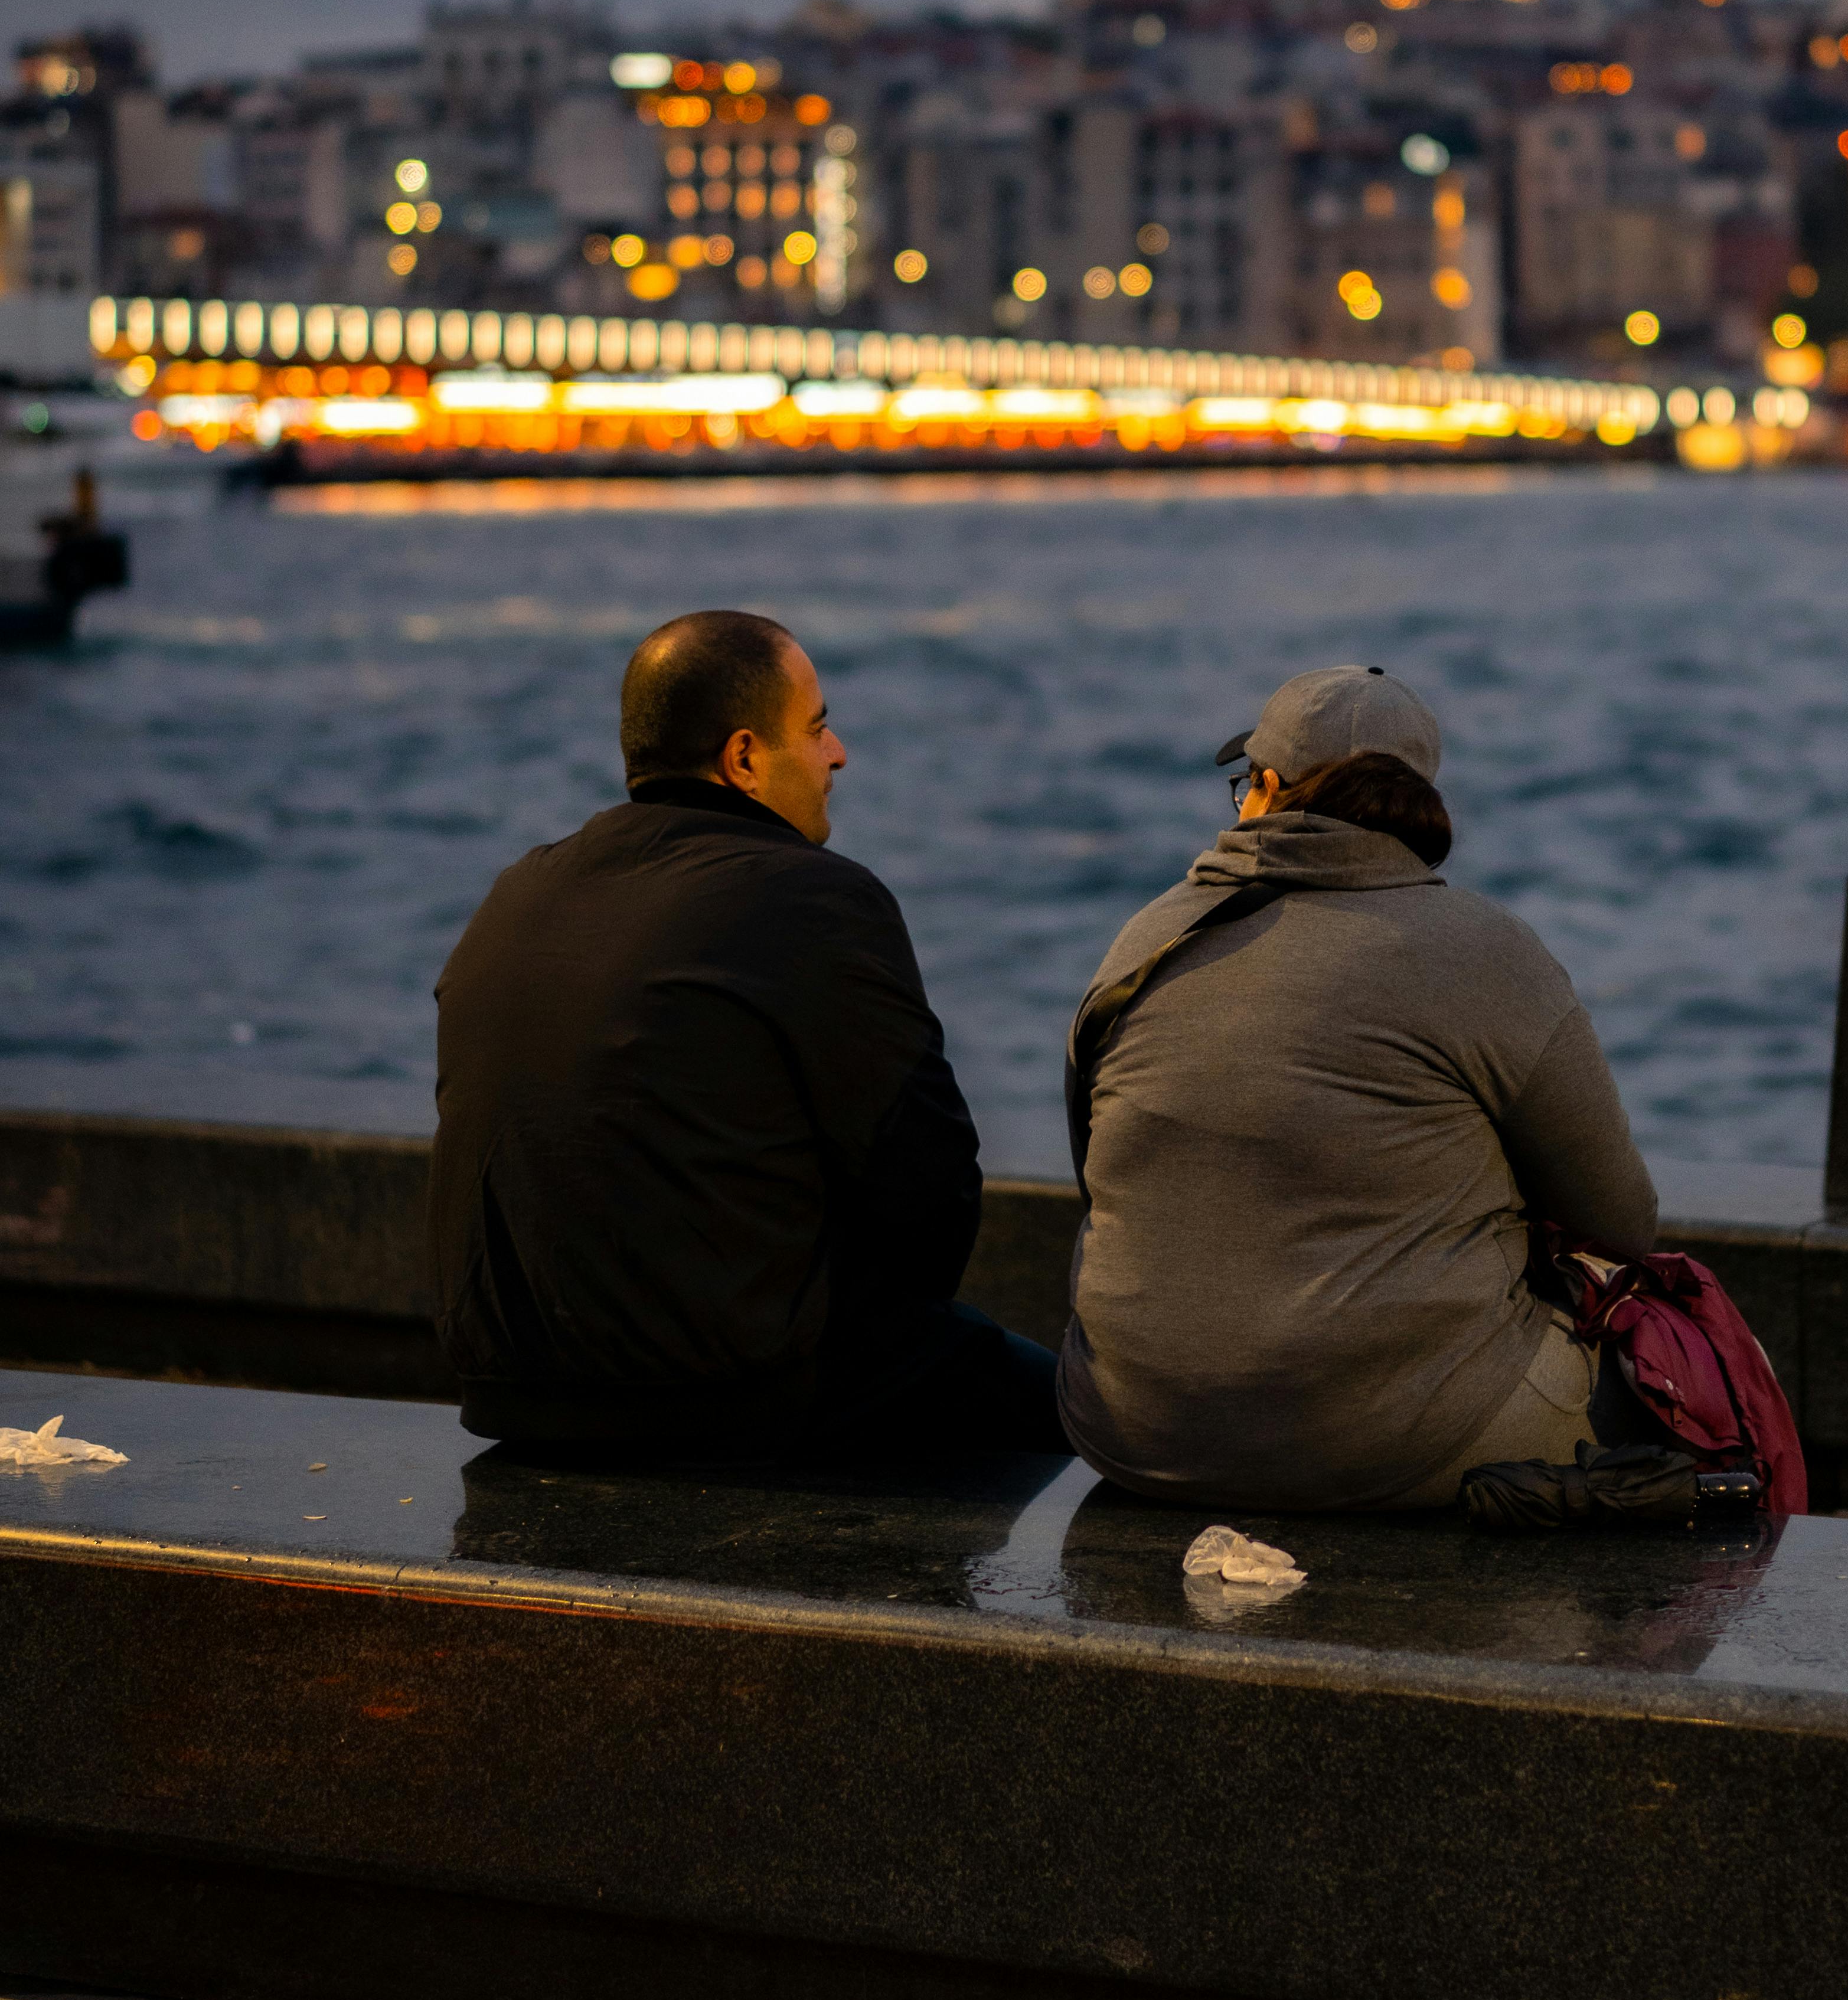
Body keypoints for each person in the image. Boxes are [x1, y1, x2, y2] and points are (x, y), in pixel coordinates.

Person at [430, 608, 1063, 1459]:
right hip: (731, 1400)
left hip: (511, 1394)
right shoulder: (813, 897)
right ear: (744, 759)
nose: (838, 754)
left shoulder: (518, 890)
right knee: (1084, 1419)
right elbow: (929, 1190)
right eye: (817, 727)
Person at [1057, 662, 1660, 1510]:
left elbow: (1099, 1173)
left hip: (1131, 1435)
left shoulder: (1144, 939)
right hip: (1394, 1443)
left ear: (1264, 790)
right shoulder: (1484, 951)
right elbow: (1622, 1221)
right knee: (1680, 1375)